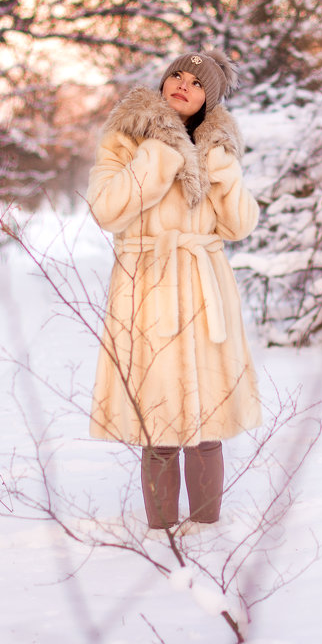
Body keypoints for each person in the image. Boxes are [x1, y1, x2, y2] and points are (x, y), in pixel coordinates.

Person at [86, 49, 262, 530]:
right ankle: (161, 532)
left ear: (210, 98)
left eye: (197, 82)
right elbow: (106, 209)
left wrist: (224, 175)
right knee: (157, 420)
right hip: (149, 284)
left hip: (205, 288)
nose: (182, 84)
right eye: (176, 76)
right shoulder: (126, 137)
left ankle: (207, 530)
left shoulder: (218, 147)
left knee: (210, 421)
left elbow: (240, 225)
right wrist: (159, 154)